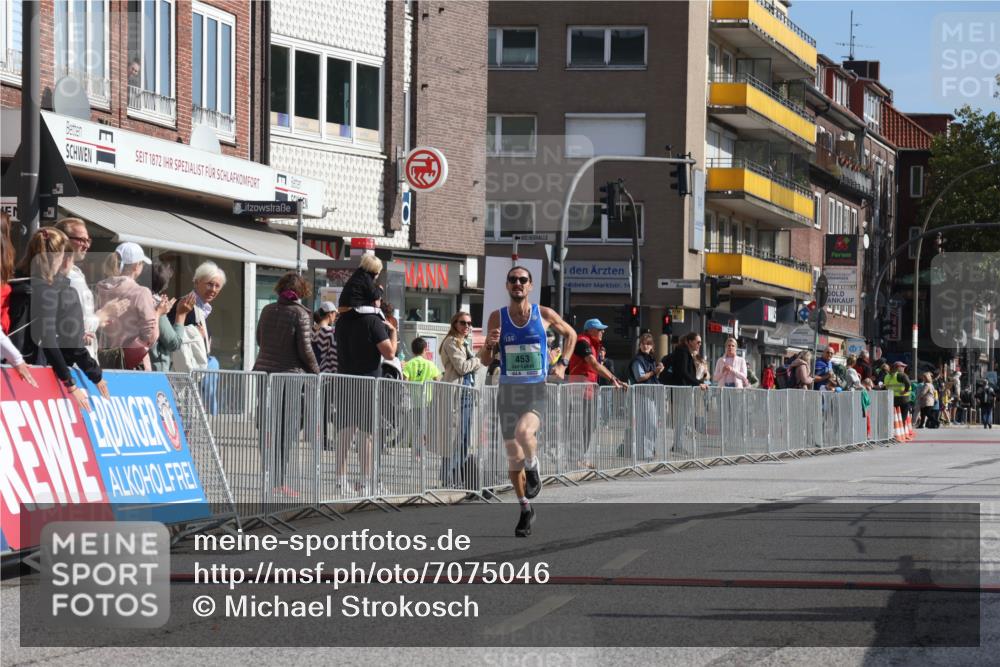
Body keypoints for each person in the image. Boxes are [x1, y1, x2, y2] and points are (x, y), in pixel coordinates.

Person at [479, 265, 576, 538]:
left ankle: (534, 466)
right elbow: (486, 362)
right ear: (507, 286)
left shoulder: (543, 315)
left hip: (535, 389)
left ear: (530, 286)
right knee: (513, 457)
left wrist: (563, 364)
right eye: (513, 280)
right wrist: (488, 345)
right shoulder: (497, 318)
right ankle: (525, 509)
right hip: (508, 391)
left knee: (524, 433)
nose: (518, 284)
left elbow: (571, 335)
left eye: (523, 280)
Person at [7, 228, 109, 412]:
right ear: (58, 257)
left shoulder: (13, 281)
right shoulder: (51, 291)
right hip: (32, 372)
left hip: (7, 365)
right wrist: (72, 384)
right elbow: (49, 339)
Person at [253, 272, 320, 498]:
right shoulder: (300, 314)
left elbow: (259, 339)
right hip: (289, 377)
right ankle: (279, 482)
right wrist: (316, 372)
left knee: (267, 428)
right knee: (287, 430)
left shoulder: (267, 310)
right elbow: (306, 349)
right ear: (302, 291)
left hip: (264, 374)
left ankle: (269, 478)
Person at [334, 276, 398, 497]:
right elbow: (389, 353)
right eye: (378, 298)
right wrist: (393, 332)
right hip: (368, 381)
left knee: (344, 431)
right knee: (367, 434)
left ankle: (340, 479)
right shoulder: (373, 321)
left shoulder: (341, 321)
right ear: (374, 300)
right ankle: (366, 480)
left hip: (343, 379)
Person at [53, 218, 128, 359]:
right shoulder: (68, 278)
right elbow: (72, 325)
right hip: (74, 361)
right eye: (81, 240)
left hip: (80, 357)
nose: (86, 245)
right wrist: (102, 315)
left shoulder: (75, 273)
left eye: (88, 240)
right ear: (63, 240)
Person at [567, 317, 624, 469]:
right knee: (579, 427)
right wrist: (612, 378)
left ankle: (581, 458)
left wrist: (616, 379)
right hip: (578, 390)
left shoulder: (593, 345)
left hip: (589, 390)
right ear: (590, 330)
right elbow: (593, 364)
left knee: (589, 426)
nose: (602, 332)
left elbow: (596, 367)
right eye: (599, 329)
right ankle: (573, 459)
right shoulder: (582, 342)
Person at [94, 242, 160, 370]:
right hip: (133, 363)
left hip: (103, 360)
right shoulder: (141, 292)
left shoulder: (100, 288)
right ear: (136, 266)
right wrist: (157, 313)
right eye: (141, 263)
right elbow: (151, 335)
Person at [440, 311, 482, 488]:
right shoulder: (451, 342)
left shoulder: (464, 343)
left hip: (467, 393)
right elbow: (462, 367)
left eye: (469, 323)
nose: (467, 326)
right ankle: (449, 477)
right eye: (463, 323)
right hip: (457, 394)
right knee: (454, 439)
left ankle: (458, 477)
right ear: (454, 323)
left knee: (464, 439)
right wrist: (478, 360)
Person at [169, 260, 225, 372]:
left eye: (217, 286)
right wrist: (198, 335)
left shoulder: (202, 308)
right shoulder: (185, 305)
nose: (213, 290)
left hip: (196, 367)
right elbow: (172, 336)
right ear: (196, 282)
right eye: (209, 284)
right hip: (185, 371)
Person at [148, 262, 189, 372]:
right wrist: (181, 314)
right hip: (155, 368)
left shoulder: (138, 298)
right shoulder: (154, 305)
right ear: (164, 284)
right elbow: (174, 344)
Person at [629, 333, 662, 461]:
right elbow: (639, 377)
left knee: (652, 424)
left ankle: (649, 450)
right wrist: (655, 371)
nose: (645, 346)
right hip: (642, 394)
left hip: (650, 394)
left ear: (652, 346)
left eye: (648, 343)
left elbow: (650, 376)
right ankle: (643, 452)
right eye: (643, 343)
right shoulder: (638, 359)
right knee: (645, 424)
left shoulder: (650, 359)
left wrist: (657, 371)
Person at [312, 301, 338, 374]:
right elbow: (333, 357)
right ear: (330, 314)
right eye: (335, 314)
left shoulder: (311, 330)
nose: (335, 317)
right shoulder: (331, 332)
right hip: (325, 375)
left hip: (310, 374)